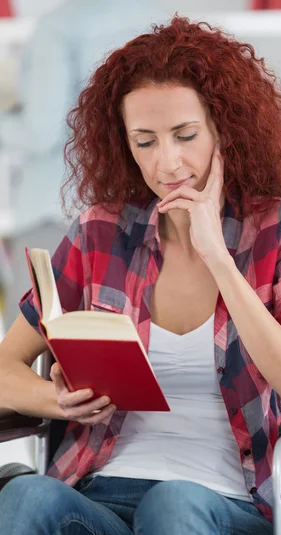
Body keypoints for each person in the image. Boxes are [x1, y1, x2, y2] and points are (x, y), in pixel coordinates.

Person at [0, 16, 281, 535]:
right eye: (145, 142)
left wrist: (217, 256)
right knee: (26, 495)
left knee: (173, 504)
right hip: (104, 504)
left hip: (231, 511)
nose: (167, 164)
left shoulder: (279, 229)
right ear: (124, 143)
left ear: (222, 131)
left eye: (185, 135)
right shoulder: (98, 233)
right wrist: (56, 400)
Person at [0, 0, 166, 329]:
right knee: (111, 339)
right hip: (133, 209)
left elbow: (40, 131)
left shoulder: (57, 28)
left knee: (34, 343)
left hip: (55, 210)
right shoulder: (157, 18)